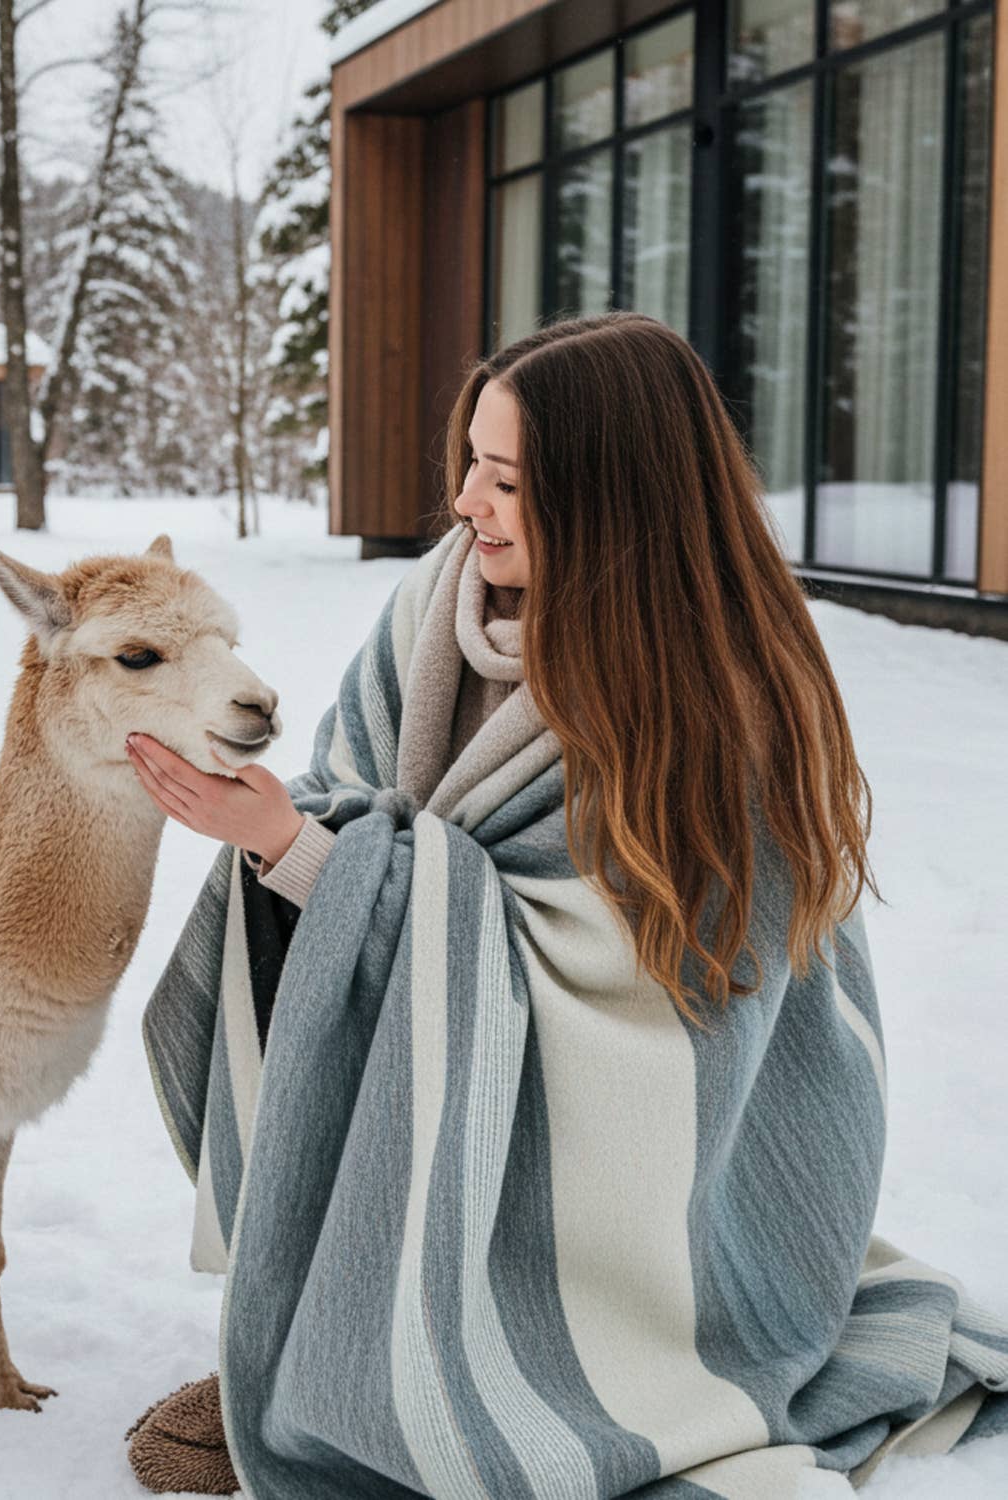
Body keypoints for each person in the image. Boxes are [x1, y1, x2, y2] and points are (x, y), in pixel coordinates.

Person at [122, 312, 1008, 1498]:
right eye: (468, 468)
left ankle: (474, 1374)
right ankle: (342, 1352)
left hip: (673, 1169)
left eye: (506, 480)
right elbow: (355, 784)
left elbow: (637, 999)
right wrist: (290, 839)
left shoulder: (714, 697)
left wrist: (304, 851)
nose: (465, 505)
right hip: (457, 1053)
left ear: (611, 496)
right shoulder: (444, 606)